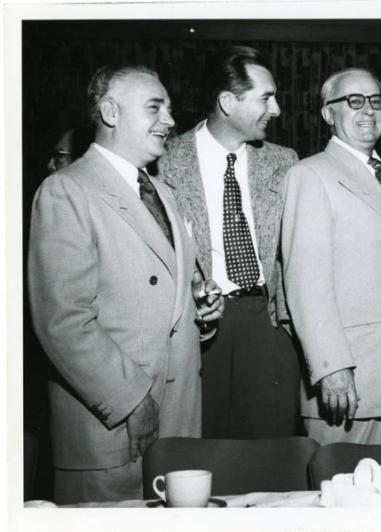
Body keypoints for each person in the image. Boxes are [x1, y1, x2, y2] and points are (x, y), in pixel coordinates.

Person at [28, 64, 223, 504]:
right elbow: (63, 321)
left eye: (170, 109)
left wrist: (199, 307)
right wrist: (132, 400)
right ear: (111, 112)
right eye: (155, 107)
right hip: (115, 423)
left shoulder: (164, 193)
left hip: (177, 420)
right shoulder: (66, 191)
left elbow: (161, 294)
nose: (170, 121)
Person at [158, 46, 301, 439]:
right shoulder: (165, 161)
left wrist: (286, 337)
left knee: (267, 462)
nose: (277, 110)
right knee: (201, 456)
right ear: (227, 101)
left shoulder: (284, 162)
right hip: (200, 330)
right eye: (266, 98)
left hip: (266, 323)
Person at [281, 68, 381, 445]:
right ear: (328, 114)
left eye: (376, 101)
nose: (368, 111)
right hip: (350, 383)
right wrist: (331, 368)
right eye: (353, 102)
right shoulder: (311, 175)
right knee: (345, 496)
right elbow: (305, 284)